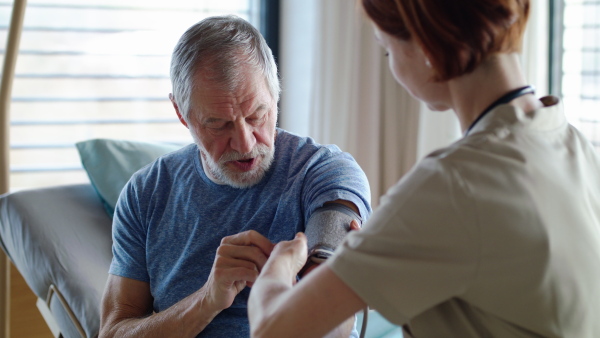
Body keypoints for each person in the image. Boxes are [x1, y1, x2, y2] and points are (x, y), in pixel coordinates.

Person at [248, 0, 600, 337]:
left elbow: (272, 330)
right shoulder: (572, 143)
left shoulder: (452, 184)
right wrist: (381, 255)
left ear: (425, 46)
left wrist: (280, 263)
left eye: (387, 50)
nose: (392, 65)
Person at [98, 15, 372, 338]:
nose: (245, 143)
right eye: (218, 124)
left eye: (257, 115)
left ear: (276, 93)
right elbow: (112, 332)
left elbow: (333, 320)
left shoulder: (324, 173)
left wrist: (279, 276)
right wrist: (208, 300)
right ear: (181, 114)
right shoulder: (146, 194)